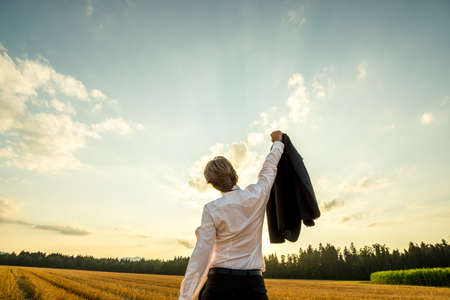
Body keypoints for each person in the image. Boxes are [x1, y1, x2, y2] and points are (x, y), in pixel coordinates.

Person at [178, 130, 285, 300]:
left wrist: (185, 297)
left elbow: (201, 255)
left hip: (219, 286)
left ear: (212, 184)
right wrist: (277, 143)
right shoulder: (257, 195)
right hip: (253, 287)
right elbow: (269, 169)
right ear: (234, 173)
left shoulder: (211, 209)